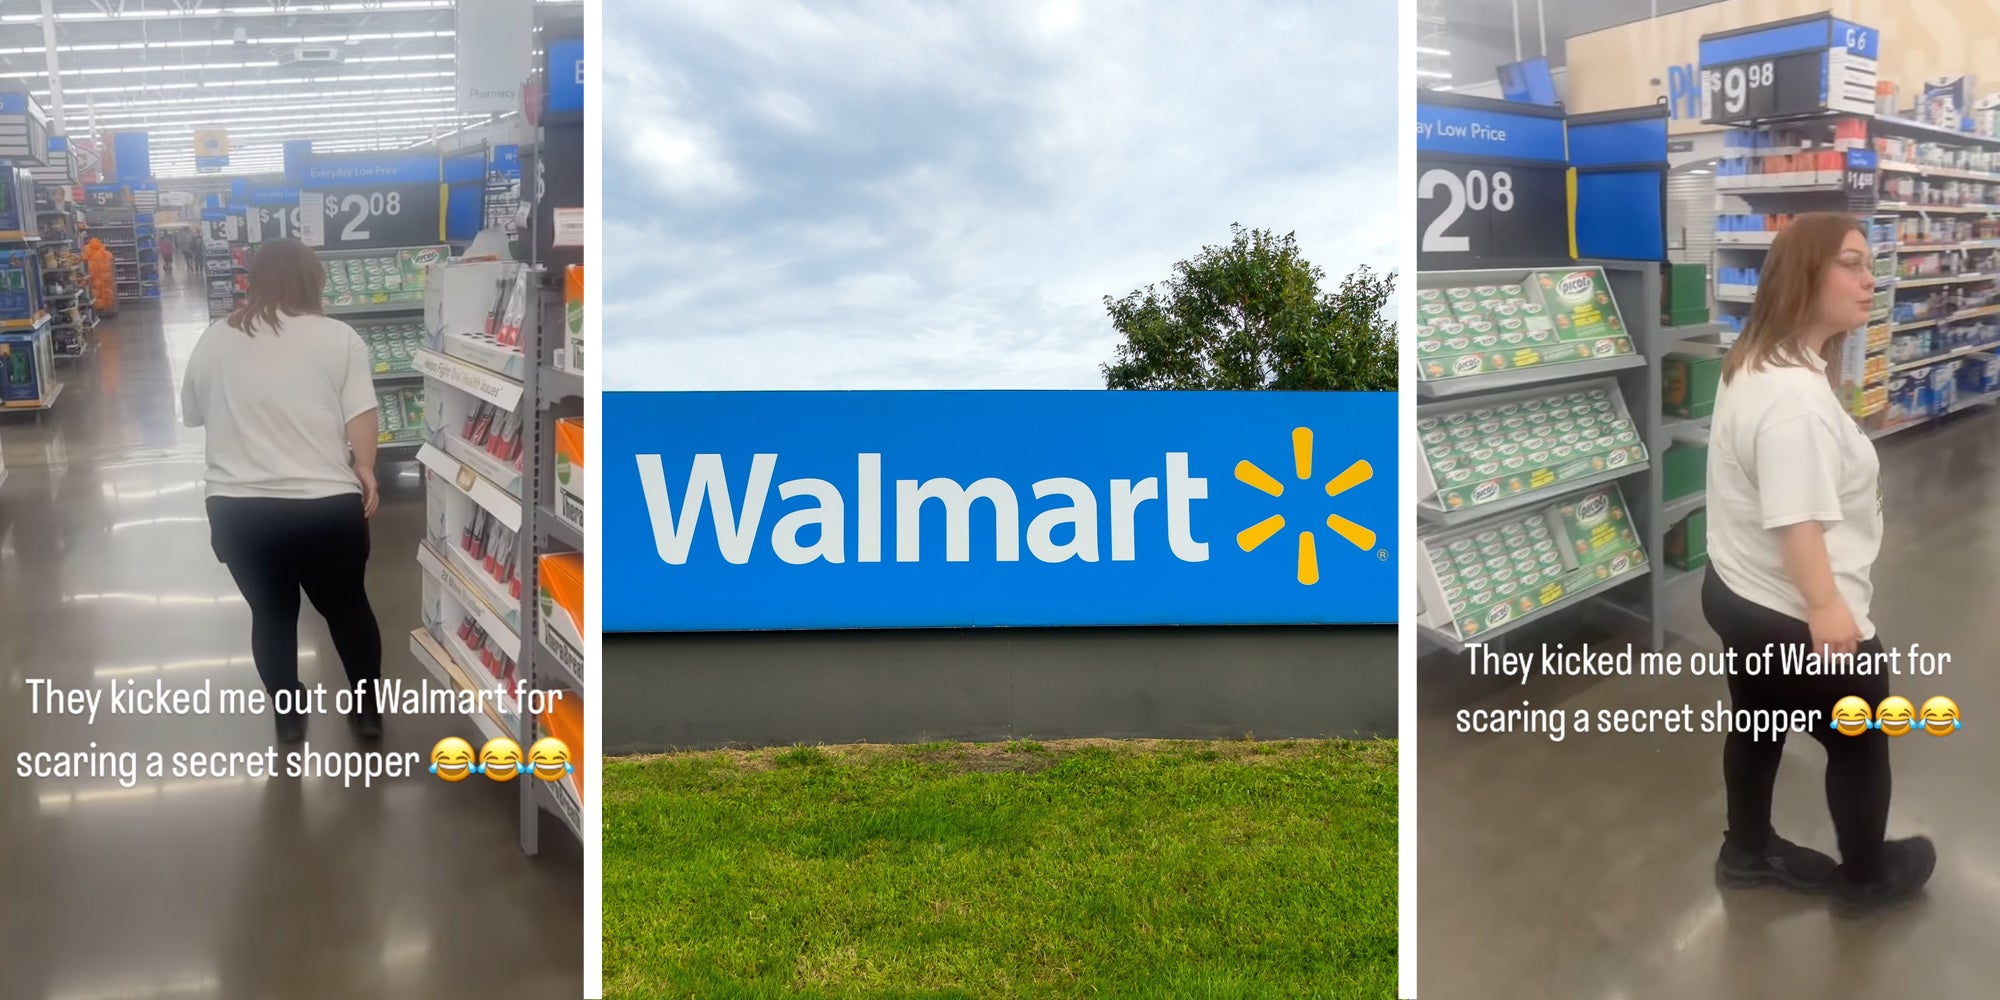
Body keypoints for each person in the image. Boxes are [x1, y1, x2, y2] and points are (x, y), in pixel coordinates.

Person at [1703, 212, 1934, 913]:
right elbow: (1796, 520)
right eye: (1852, 264)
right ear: (1806, 276)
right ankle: (1866, 876)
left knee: (1757, 720)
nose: (1870, 280)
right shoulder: (1795, 401)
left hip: (1737, 588)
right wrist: (1830, 612)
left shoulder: (1758, 357)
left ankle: (1746, 850)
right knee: (1862, 736)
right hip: (1792, 609)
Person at [179, 238, 385, 742]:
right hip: (326, 508)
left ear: (255, 280)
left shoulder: (214, 338)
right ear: (314, 281)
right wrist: (366, 467)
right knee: (348, 608)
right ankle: (366, 712)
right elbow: (362, 416)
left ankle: (289, 718)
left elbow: (193, 413)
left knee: (270, 615)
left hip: (238, 509)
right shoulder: (339, 338)